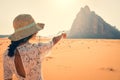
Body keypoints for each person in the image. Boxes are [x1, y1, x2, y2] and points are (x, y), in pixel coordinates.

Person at [3, 14, 66, 80]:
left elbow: (7, 78)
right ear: (31, 33)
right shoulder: (36, 48)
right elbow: (53, 41)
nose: (37, 32)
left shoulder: (7, 53)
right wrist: (61, 35)